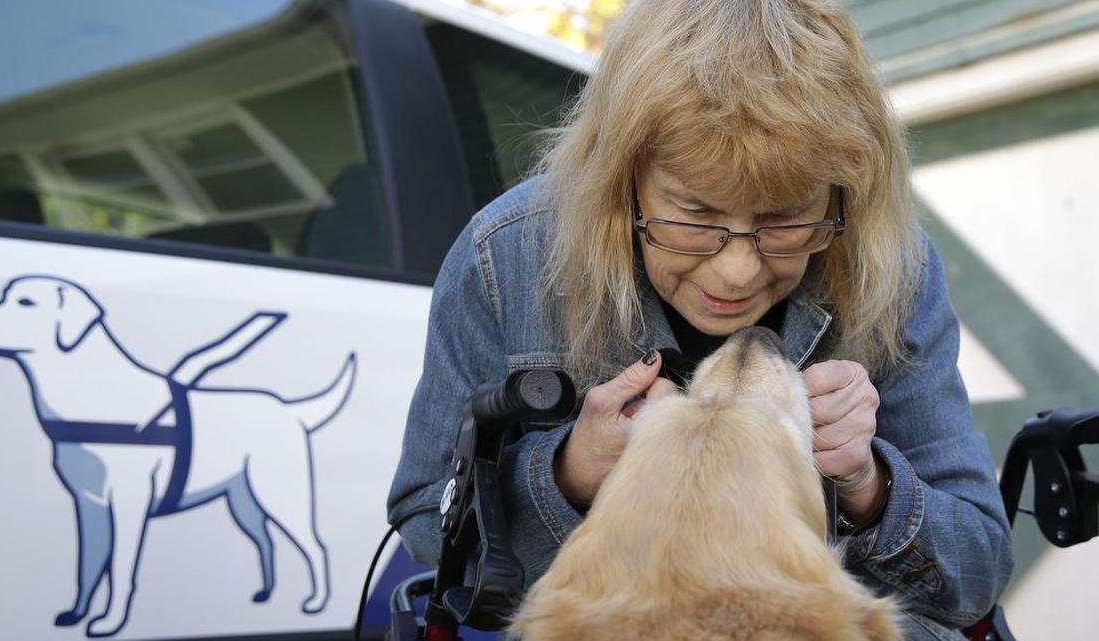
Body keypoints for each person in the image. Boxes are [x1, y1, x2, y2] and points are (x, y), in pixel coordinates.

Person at [387, 0, 1013, 639]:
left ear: (843, 190)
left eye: (785, 220)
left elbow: (978, 575)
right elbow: (423, 522)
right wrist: (567, 475)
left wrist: (868, 484)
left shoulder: (890, 267)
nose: (737, 272)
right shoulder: (505, 257)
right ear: (619, 179)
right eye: (694, 216)